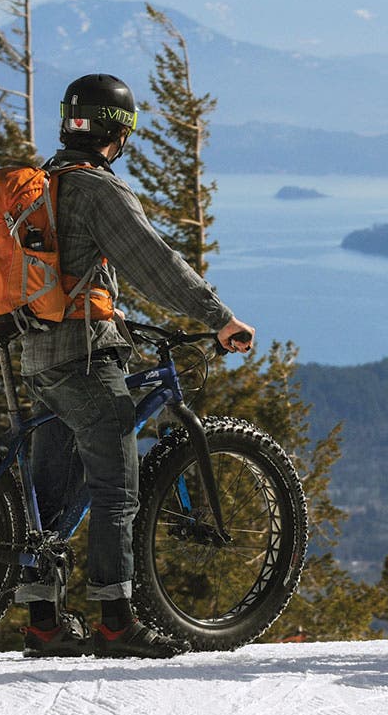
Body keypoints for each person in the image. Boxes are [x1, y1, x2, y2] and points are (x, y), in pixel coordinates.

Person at [15, 73, 255, 659]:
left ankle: (44, 621)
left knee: (51, 487)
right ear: (118, 134)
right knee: (116, 488)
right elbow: (154, 264)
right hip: (82, 356)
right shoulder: (99, 190)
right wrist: (218, 316)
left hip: (38, 352)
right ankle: (116, 623)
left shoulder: (43, 182)